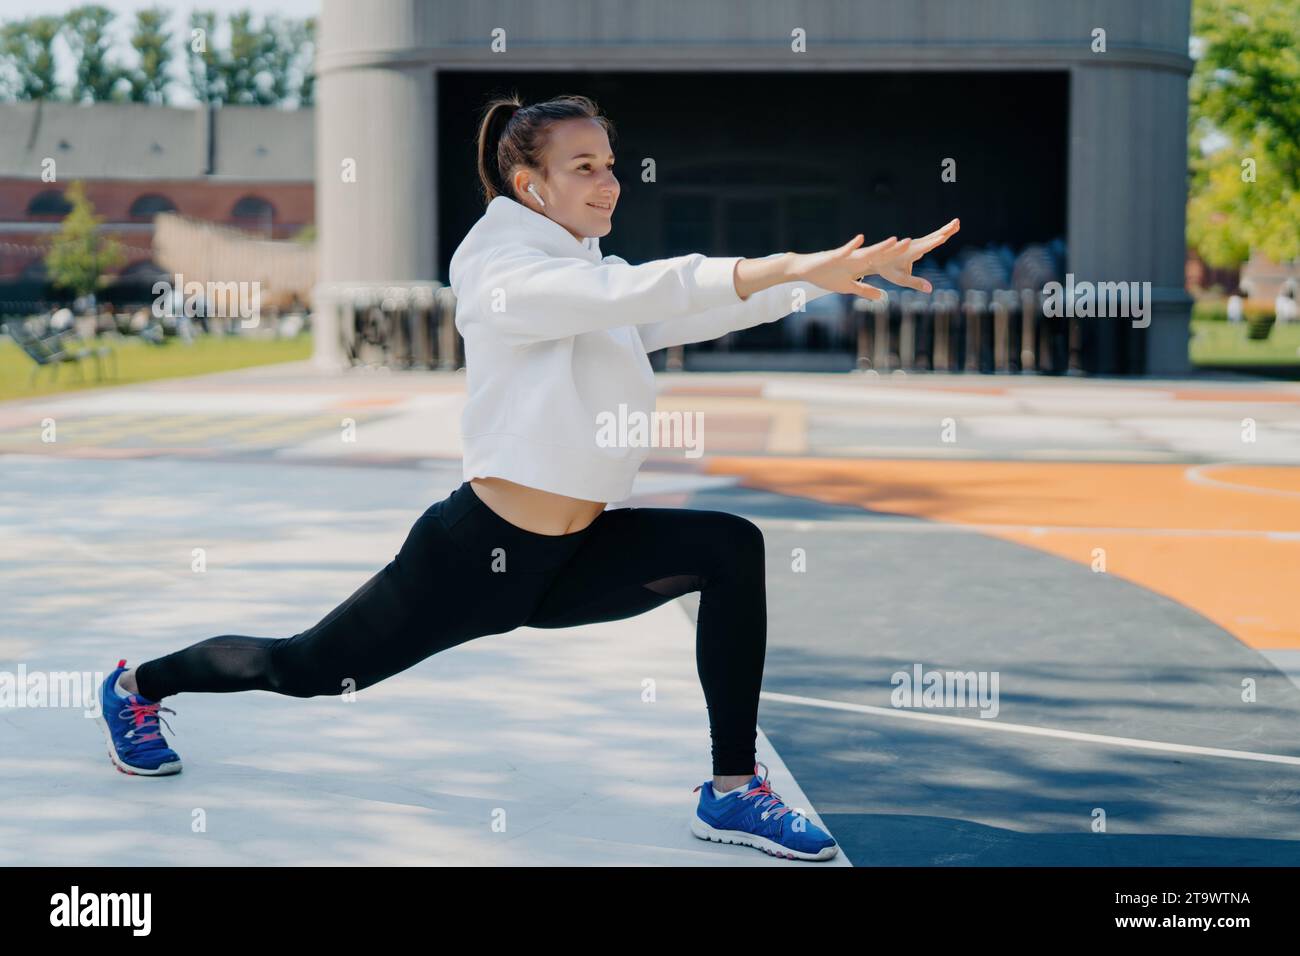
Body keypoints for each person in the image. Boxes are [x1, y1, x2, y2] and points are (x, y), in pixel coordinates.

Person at [95, 93, 959, 862]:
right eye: (584, 167)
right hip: (474, 560)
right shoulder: (500, 272)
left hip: (569, 559)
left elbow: (678, 302)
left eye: (612, 165)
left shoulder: (581, 274)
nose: (610, 182)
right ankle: (139, 686)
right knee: (307, 668)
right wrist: (790, 268)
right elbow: (639, 293)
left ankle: (732, 791)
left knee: (731, 548)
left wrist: (819, 278)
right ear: (527, 183)